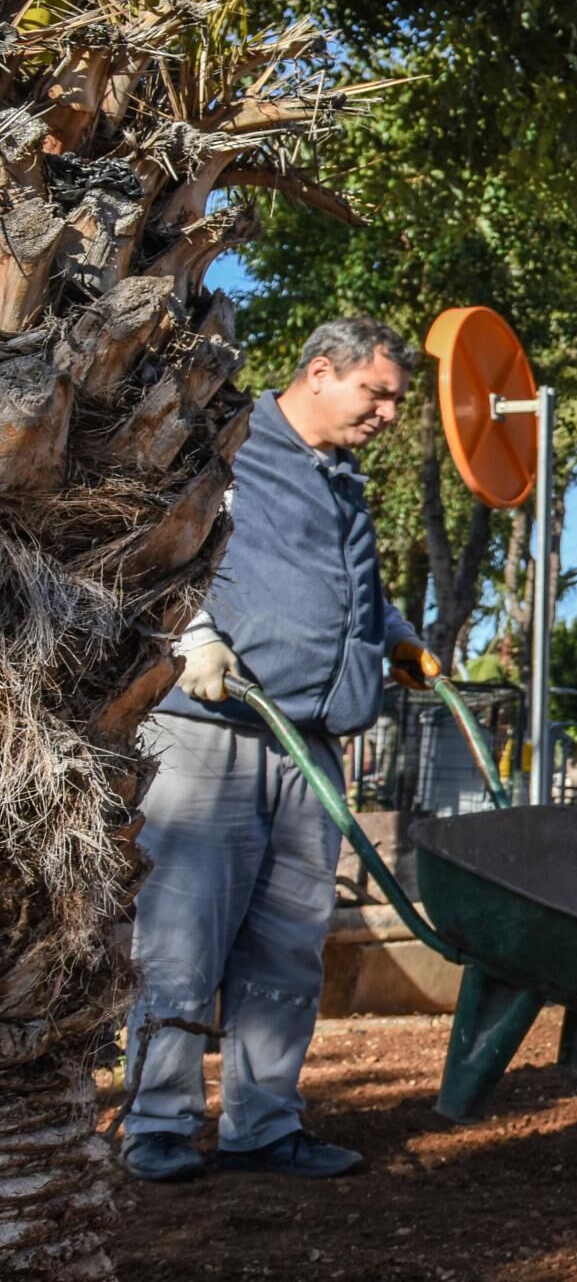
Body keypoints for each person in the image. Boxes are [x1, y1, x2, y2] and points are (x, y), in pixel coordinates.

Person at [120, 318, 439, 1184]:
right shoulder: (231, 449)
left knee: (288, 945)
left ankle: (264, 1123)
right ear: (320, 371)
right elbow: (157, 548)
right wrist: (193, 635)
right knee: (184, 936)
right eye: (377, 394)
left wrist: (398, 638)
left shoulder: (342, 479)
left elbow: (347, 592)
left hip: (310, 746)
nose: (387, 414)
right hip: (214, 732)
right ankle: (157, 1123)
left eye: (396, 402)